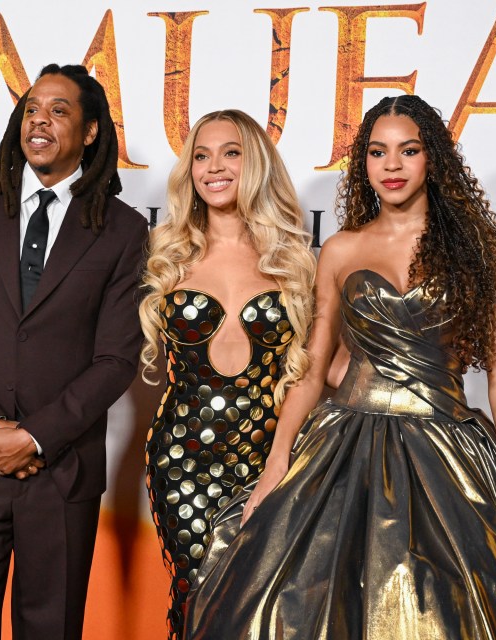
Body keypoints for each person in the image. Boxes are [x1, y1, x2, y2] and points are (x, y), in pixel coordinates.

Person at [184, 95, 496, 639]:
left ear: (433, 160)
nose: (391, 166)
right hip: (345, 446)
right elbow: (311, 367)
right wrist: (277, 463)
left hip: (450, 454)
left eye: (408, 150)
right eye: (377, 152)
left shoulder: (472, 253)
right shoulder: (343, 250)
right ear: (364, 163)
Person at [0, 64, 147, 640]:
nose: (39, 121)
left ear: (90, 131)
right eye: (31, 109)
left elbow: (116, 359)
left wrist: (35, 436)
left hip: (61, 471)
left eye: (59, 110)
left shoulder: (122, 230)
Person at [138, 109, 316, 639]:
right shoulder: (168, 255)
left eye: (231, 152)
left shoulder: (295, 261)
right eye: (201, 155)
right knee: (200, 596)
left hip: (272, 461)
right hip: (183, 462)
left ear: (255, 164)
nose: (213, 167)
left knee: (260, 610)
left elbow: (323, 366)